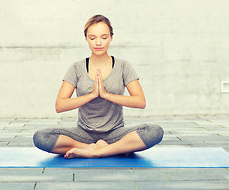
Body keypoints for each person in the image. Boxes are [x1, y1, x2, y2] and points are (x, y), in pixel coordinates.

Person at [33, 14, 163, 158]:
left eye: (104, 37)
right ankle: (100, 148)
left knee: (154, 131)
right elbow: (60, 105)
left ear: (111, 38)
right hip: (83, 134)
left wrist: (107, 95)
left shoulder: (123, 66)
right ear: (86, 39)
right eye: (92, 38)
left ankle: (97, 152)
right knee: (41, 137)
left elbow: (140, 102)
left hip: (115, 133)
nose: (98, 43)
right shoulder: (76, 68)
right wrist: (92, 95)